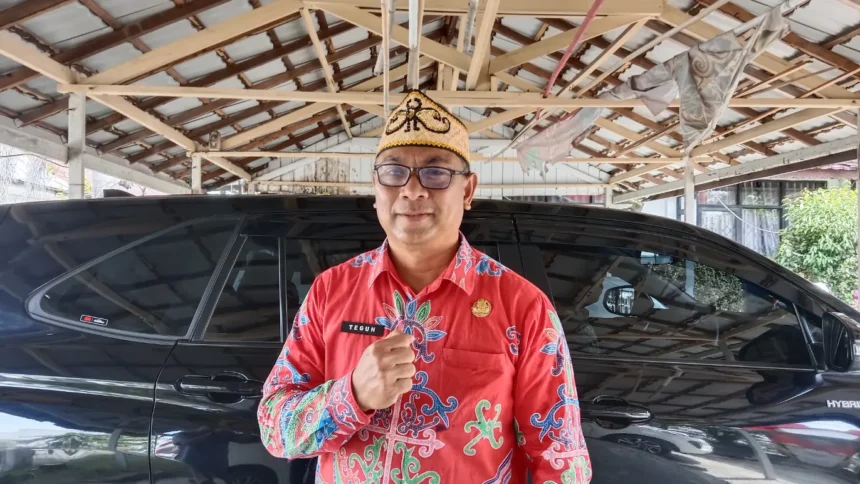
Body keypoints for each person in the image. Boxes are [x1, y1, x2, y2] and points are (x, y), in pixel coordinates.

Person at [258, 90, 591, 483]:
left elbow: (560, 460)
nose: (412, 190)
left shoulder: (523, 307)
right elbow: (275, 431)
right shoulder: (331, 290)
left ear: (467, 190)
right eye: (394, 171)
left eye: (435, 174)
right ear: (376, 187)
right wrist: (352, 396)